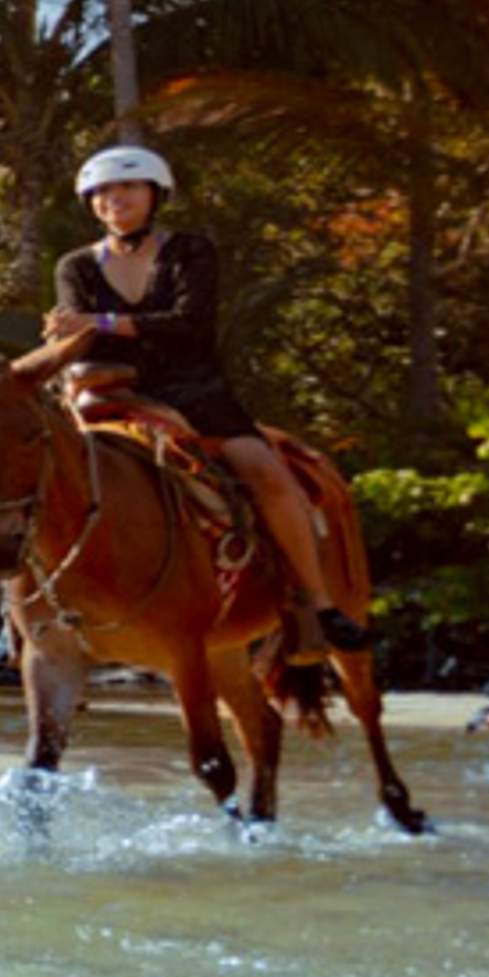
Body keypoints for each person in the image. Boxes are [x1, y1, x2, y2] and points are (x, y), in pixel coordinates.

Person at [43, 145, 365, 657]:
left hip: (192, 389)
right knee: (36, 476)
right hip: (110, 395)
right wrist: (68, 338)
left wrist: (101, 323)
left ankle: (318, 604)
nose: (114, 199)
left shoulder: (191, 251)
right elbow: (79, 337)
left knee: (265, 473)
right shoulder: (75, 267)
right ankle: (27, 612)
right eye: (101, 192)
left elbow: (189, 326)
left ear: (155, 195)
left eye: (127, 187)